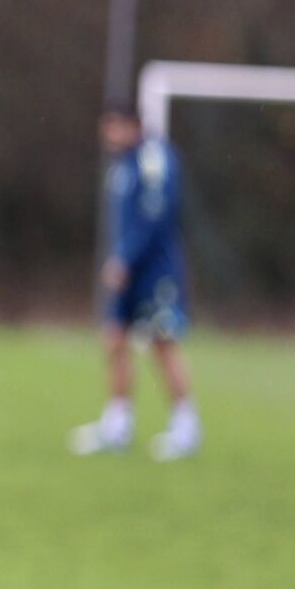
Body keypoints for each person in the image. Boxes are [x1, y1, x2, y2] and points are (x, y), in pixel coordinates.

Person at [68, 107, 200, 461]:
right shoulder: (121, 164)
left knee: (162, 344)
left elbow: (154, 214)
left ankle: (187, 428)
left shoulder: (154, 158)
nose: (109, 135)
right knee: (114, 339)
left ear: (133, 125)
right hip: (126, 270)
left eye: (115, 127)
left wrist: (126, 257)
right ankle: (117, 426)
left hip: (155, 272)